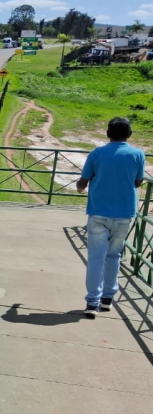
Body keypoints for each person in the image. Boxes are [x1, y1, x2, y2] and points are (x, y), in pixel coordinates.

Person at [76, 117, 146, 318]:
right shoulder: (137, 154)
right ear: (129, 134)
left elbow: (84, 180)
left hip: (99, 211)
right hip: (124, 212)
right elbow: (138, 181)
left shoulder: (97, 153)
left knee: (96, 257)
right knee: (114, 256)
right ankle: (108, 298)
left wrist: (80, 187)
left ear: (108, 133)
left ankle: (92, 301)